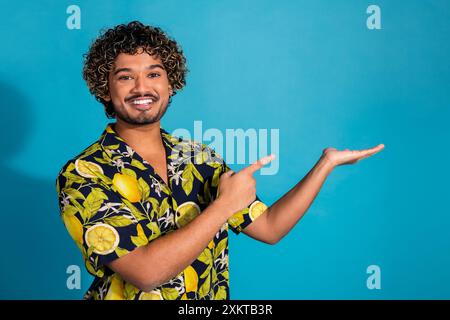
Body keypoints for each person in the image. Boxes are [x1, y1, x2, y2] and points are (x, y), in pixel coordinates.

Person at [56, 21, 384, 300]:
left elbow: (270, 227)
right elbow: (146, 272)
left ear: (171, 83)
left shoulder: (200, 159)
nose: (142, 87)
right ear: (105, 88)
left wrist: (325, 164)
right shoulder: (83, 174)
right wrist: (224, 206)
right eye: (125, 77)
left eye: (154, 74)